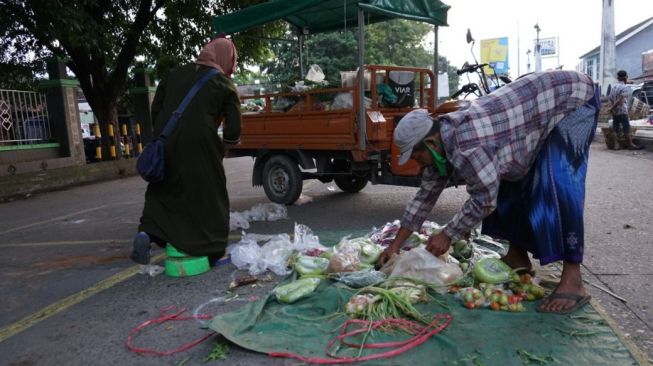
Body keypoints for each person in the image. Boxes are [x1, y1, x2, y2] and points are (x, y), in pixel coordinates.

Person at [378, 70, 600, 314]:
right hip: (533, 110)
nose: (418, 164)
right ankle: (517, 257)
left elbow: (484, 200)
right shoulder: (440, 142)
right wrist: (394, 246)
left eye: (417, 156)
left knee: (557, 183)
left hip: (570, 98)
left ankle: (573, 280)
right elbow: (424, 198)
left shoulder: (469, 145)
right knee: (509, 181)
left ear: (429, 143)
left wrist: (448, 234)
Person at [130, 37, 242, 265]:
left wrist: (165, 133)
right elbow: (234, 128)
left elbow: (156, 108)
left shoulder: (174, 74)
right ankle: (211, 248)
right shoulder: (223, 83)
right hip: (201, 143)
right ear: (227, 59)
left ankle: (147, 233)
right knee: (209, 192)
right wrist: (226, 145)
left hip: (166, 137)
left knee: (164, 188)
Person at [608, 70, 643, 150]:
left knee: (615, 128)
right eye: (627, 76)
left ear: (618, 78)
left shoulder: (614, 87)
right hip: (622, 111)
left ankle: (616, 145)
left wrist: (612, 109)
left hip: (615, 112)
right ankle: (630, 145)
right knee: (626, 128)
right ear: (625, 77)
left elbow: (610, 99)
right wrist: (611, 108)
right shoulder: (624, 88)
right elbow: (620, 101)